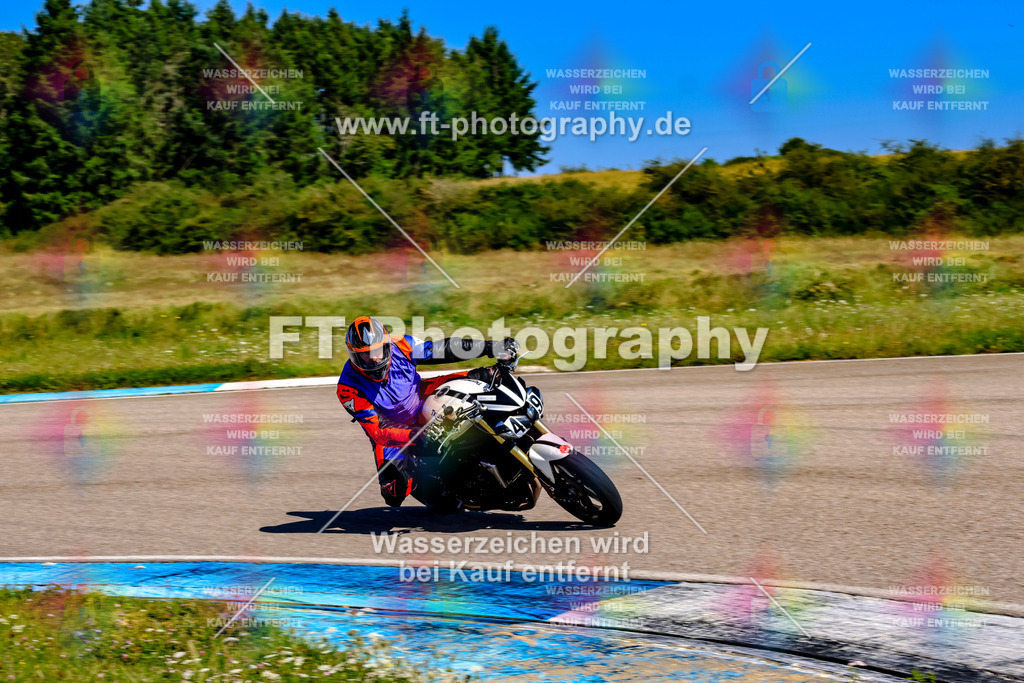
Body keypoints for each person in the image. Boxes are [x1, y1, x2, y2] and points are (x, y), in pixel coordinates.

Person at [337, 316, 519, 506]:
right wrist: (414, 435)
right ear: (353, 355)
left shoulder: (402, 344)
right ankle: (427, 477)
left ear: (387, 345)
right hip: (393, 430)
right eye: (365, 354)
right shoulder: (347, 388)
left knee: (484, 377)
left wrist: (491, 347)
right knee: (393, 493)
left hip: (422, 396)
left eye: (377, 350)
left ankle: (502, 431)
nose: (373, 358)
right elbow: (377, 431)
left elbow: (444, 349)